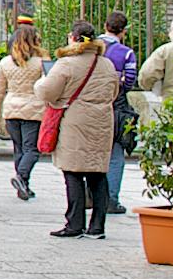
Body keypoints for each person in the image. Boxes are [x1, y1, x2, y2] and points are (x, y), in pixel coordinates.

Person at [37, 23, 125, 238]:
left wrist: (40, 83)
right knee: (98, 173)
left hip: (75, 122)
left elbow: (47, 92)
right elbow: (114, 92)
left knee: (73, 171)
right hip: (103, 122)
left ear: (73, 38)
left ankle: (74, 224)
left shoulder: (66, 64)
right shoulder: (106, 64)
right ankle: (97, 226)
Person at [0, 17, 51, 201]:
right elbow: (49, 84)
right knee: (32, 149)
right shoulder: (41, 61)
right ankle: (21, 177)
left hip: (11, 108)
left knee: (19, 149)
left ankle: (23, 186)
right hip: (34, 109)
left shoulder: (5, 62)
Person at [97, 11, 141, 210]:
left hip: (92, 103)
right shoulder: (126, 53)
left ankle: (92, 196)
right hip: (116, 105)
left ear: (105, 25)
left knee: (94, 152)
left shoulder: (92, 47)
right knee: (115, 154)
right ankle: (111, 199)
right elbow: (130, 79)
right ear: (123, 31)